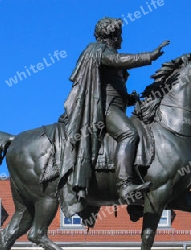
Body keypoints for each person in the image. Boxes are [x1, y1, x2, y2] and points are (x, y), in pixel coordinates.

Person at [59, 17, 169, 201]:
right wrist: (149, 56)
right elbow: (119, 60)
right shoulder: (99, 51)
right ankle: (124, 185)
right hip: (104, 109)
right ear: (112, 36)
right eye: (120, 36)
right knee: (129, 133)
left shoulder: (104, 54)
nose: (122, 40)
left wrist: (128, 99)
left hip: (114, 106)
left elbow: (110, 87)